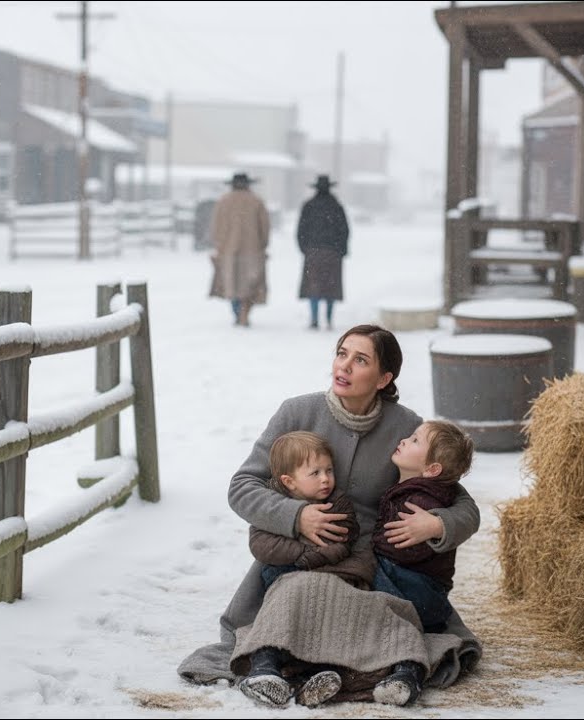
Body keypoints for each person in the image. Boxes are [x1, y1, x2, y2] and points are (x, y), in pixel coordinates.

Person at [177, 325, 483, 703]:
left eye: (361, 360)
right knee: (301, 596)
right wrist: (296, 517)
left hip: (374, 566)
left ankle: (334, 672)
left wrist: (438, 523)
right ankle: (284, 668)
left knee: (372, 612)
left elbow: (462, 503)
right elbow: (242, 486)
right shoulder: (297, 413)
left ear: (384, 378)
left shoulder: (406, 428)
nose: (344, 366)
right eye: (342, 353)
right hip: (303, 555)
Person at [239, 430, 369, 708]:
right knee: (278, 617)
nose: (326, 479)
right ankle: (265, 669)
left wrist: (311, 559)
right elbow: (262, 544)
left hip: (322, 574)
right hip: (283, 573)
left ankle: (315, 675)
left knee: (323, 619)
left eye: (329, 470)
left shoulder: (337, 502)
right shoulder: (273, 502)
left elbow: (343, 540)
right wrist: (302, 554)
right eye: (315, 473)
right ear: (290, 481)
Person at [366, 419, 476, 706]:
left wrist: (370, 549)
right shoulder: (411, 489)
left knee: (373, 582)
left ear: (432, 470)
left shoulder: (422, 501)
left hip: (421, 592)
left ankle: (408, 670)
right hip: (419, 588)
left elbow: (405, 552)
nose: (404, 440)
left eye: (415, 440)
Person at [208, 171, 269, 327]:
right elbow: (264, 227)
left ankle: (237, 312)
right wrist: (262, 244)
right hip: (252, 250)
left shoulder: (223, 202)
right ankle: (244, 313)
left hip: (228, 251)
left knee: (232, 283)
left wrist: (220, 245)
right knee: (250, 284)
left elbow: (216, 227)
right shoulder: (256, 201)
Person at [297, 174, 350, 330]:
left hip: (313, 252)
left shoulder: (308, 206)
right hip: (333, 252)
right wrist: (341, 250)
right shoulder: (337, 207)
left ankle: (314, 318)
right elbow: (345, 230)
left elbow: (301, 230)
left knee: (313, 286)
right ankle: (328, 319)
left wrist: (305, 248)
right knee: (330, 288)